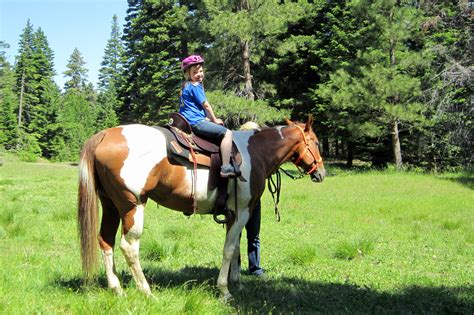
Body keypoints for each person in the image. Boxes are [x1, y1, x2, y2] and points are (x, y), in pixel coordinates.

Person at [179, 54, 235, 177]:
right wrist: (214, 120)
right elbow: (206, 105)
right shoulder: (195, 86)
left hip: (186, 121)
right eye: (195, 72)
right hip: (196, 122)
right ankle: (226, 167)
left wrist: (206, 118)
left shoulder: (185, 86)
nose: (199, 74)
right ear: (187, 74)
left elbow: (189, 108)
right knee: (227, 133)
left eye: (201, 71)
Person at [240, 121, 264, 276]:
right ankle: (234, 267)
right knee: (236, 235)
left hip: (254, 200)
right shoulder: (238, 154)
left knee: (254, 235)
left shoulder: (259, 156)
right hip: (240, 200)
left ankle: (255, 267)